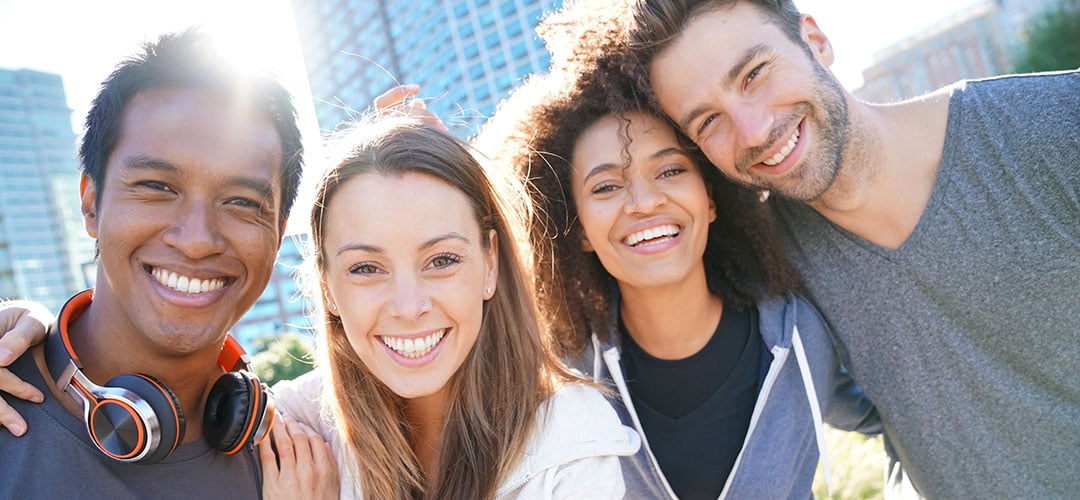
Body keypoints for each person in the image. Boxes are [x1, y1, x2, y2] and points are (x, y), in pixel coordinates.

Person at [619, 0, 1080, 497]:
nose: (752, 132)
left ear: (816, 41)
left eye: (754, 74)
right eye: (708, 121)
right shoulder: (767, 266)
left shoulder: (1055, 127)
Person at [459, 6, 879, 495]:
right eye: (606, 187)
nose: (644, 202)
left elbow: (901, 414)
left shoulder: (804, 333)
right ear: (577, 232)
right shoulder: (559, 384)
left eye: (671, 171)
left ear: (712, 197)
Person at [0, 28, 334, 498]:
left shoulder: (306, 459)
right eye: (157, 186)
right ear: (91, 204)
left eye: (240, 201)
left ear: (278, 234)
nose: (197, 240)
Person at [269, 115, 639, 498]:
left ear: (490, 263)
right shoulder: (302, 424)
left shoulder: (571, 439)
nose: (409, 307)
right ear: (327, 286)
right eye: (366, 268)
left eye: (442, 260)